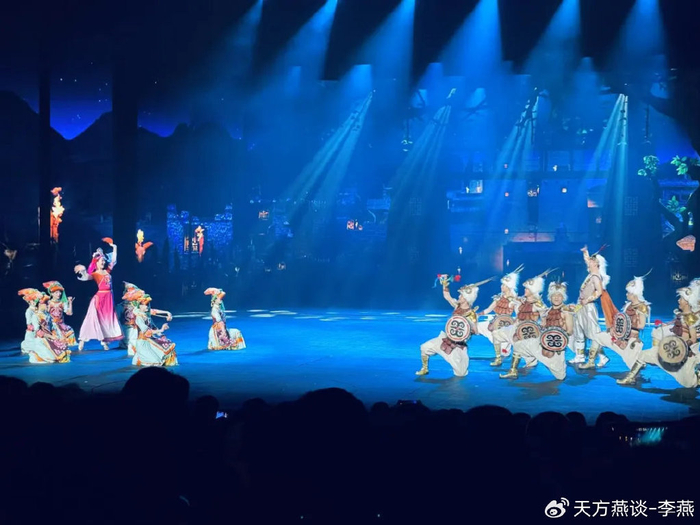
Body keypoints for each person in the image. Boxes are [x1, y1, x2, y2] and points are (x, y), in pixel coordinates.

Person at [617, 282, 700, 387]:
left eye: (681, 299)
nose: (679, 300)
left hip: (680, 353)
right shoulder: (681, 315)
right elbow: (676, 324)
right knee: (643, 355)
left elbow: (693, 339)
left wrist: (682, 345)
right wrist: (667, 326)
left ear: (687, 302)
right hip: (671, 348)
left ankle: (697, 376)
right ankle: (630, 377)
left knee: (689, 384)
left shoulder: (690, 318)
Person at [415, 277, 492, 377]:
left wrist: (470, 325)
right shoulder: (457, 306)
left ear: (466, 298)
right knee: (424, 347)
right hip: (445, 339)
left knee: (461, 373)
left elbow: (476, 331)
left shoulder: (471, 315)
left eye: (461, 295)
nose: (459, 296)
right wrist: (445, 285)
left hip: (457, 346)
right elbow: (447, 296)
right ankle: (424, 368)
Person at [508, 281, 573, 381]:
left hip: (556, 347)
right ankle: (513, 371)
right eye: (554, 295)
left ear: (563, 297)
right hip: (541, 343)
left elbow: (570, 331)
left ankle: (554, 366)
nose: (556, 298)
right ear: (550, 297)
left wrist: (557, 337)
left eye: (559, 295)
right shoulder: (547, 311)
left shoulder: (566, 312)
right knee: (518, 345)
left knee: (560, 376)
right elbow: (542, 326)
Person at [590, 273, 650, 380]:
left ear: (634, 294)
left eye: (628, 293)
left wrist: (627, 326)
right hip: (620, 336)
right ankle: (590, 362)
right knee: (598, 336)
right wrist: (615, 328)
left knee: (632, 366)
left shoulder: (642, 307)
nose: (626, 294)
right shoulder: (628, 305)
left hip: (631, 341)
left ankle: (633, 376)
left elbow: (641, 325)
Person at [498, 272, 551, 379]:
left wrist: (541, 329)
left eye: (527, 289)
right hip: (520, 330)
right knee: (500, 335)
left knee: (518, 347)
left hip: (530, 333)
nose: (525, 290)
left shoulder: (538, 304)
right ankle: (530, 361)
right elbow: (514, 300)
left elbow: (544, 318)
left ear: (532, 290)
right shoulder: (523, 300)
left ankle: (513, 371)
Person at [74, 242, 123, 350]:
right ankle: (82, 339)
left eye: (104, 261)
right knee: (93, 319)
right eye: (101, 261)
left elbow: (113, 261)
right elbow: (86, 276)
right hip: (99, 299)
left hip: (109, 298)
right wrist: (84, 269)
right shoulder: (95, 274)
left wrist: (115, 248)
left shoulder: (107, 271)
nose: (103, 262)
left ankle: (104, 341)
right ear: (97, 262)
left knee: (106, 320)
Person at [570, 246, 612, 368]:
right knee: (578, 330)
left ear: (596, 264)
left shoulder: (596, 277)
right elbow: (587, 260)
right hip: (581, 306)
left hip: (589, 307)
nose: (589, 262)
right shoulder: (591, 275)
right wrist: (585, 252)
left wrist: (587, 300)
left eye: (592, 261)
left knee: (593, 333)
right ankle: (579, 356)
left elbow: (599, 292)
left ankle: (602, 356)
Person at [476, 266, 522, 367]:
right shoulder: (499, 297)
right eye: (502, 285)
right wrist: (478, 314)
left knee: (505, 349)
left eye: (504, 285)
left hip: (506, 324)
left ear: (508, 286)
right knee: (476, 327)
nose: (501, 287)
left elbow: (518, 313)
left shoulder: (514, 299)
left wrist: (516, 323)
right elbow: (489, 309)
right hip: (495, 322)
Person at [18, 289, 71, 364]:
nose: (48, 305)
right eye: (46, 304)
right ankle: (35, 354)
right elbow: (38, 332)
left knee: (63, 352)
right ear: (40, 304)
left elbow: (53, 327)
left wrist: (57, 335)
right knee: (52, 358)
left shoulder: (48, 315)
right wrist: (50, 336)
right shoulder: (35, 316)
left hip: (49, 338)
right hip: (42, 340)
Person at [131, 291, 178, 367]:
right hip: (143, 342)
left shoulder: (146, 315)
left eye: (148, 305)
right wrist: (161, 330)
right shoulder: (139, 318)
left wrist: (167, 313)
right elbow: (147, 332)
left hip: (149, 340)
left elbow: (154, 314)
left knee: (168, 347)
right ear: (140, 306)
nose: (147, 307)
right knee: (155, 362)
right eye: (145, 305)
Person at [42, 281, 77, 347]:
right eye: (56, 292)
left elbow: (69, 313)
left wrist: (70, 303)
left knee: (70, 331)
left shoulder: (62, 303)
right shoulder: (48, 303)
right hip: (51, 326)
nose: (59, 294)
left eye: (59, 292)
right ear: (52, 294)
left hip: (61, 325)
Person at [118, 282, 140, 351]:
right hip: (126, 327)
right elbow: (117, 319)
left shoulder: (137, 305)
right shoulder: (121, 306)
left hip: (135, 326)